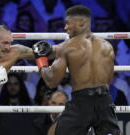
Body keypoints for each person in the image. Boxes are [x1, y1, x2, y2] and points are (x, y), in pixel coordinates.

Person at [32, 5, 121, 135]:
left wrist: (41, 60)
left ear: (81, 22)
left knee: (53, 132)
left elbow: (51, 81)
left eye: (68, 23)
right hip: (105, 101)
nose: (65, 27)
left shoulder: (67, 47)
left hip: (82, 102)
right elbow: (108, 79)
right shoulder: (107, 46)